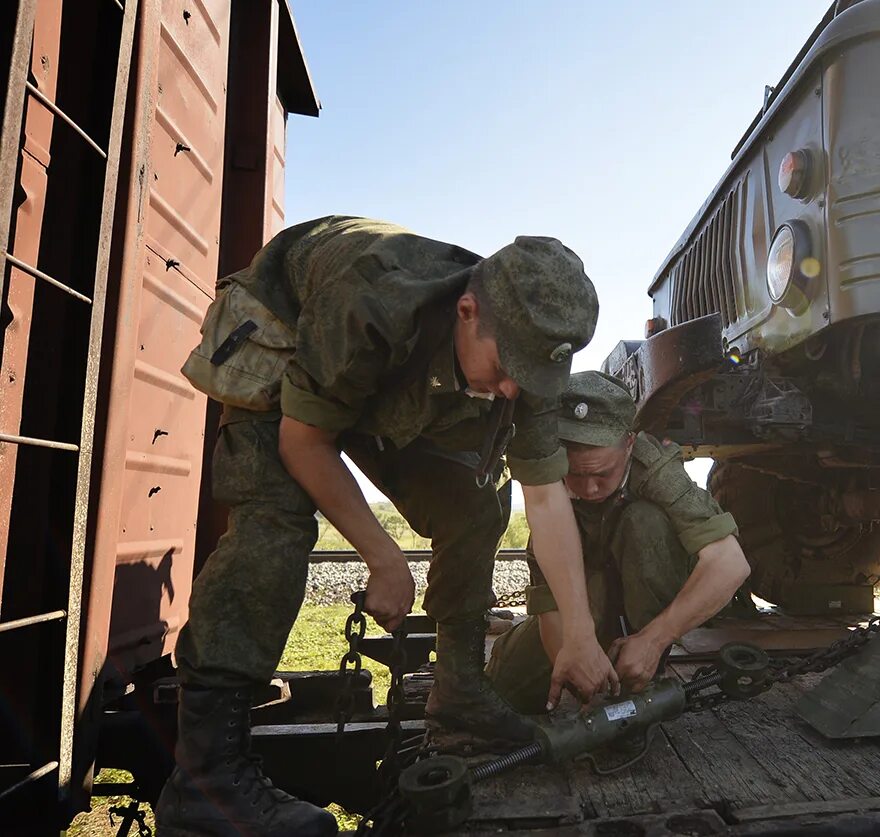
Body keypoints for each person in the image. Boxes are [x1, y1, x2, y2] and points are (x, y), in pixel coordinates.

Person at [156, 216, 617, 837]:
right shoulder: (369, 298)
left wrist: (582, 634)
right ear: (468, 309)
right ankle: (205, 779)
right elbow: (306, 441)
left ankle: (458, 689)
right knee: (273, 523)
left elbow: (545, 497)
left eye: (532, 376)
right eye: (508, 366)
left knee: (479, 504)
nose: (513, 387)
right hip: (292, 331)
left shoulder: (526, 352)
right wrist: (384, 556)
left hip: (387, 374)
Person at [485, 370, 751, 712]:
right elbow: (550, 608)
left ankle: (640, 672)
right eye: (576, 475)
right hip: (583, 605)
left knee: (646, 523)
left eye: (602, 474)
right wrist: (575, 669)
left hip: (644, 614)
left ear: (628, 445)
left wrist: (654, 641)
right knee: (505, 687)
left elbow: (730, 564)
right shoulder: (549, 488)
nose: (590, 489)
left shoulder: (657, 470)